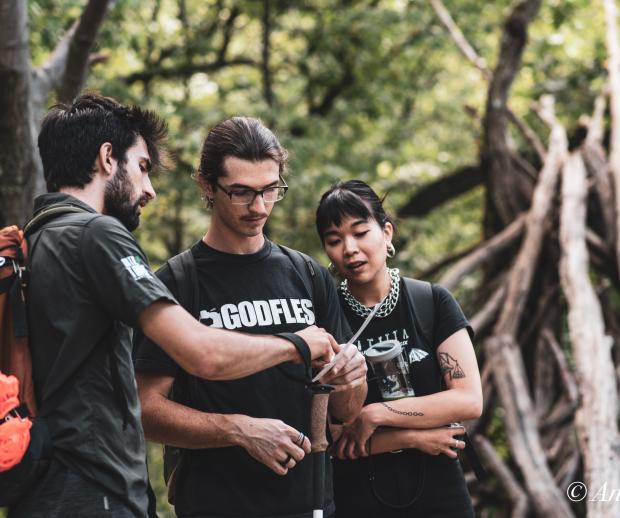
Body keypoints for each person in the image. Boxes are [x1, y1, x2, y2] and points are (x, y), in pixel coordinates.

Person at [9, 93, 337, 518]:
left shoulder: (35, 238)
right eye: (143, 167)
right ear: (108, 158)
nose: (149, 189)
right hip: (94, 489)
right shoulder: (97, 235)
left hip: (44, 487)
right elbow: (202, 354)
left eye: (270, 190)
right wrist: (297, 344)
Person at [133, 117, 368, 518]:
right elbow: (144, 410)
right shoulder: (176, 282)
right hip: (216, 505)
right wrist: (238, 430)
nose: (259, 207)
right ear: (207, 186)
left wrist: (353, 377)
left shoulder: (308, 275)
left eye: (270, 190)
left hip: (312, 505)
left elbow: (346, 411)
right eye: (241, 192)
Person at [315, 180, 483, 518]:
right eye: (334, 240)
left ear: (387, 233)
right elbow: (331, 437)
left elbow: (468, 400)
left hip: (441, 496)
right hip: (357, 499)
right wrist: (414, 438)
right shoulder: (325, 317)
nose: (349, 248)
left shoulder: (431, 302)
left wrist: (376, 415)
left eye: (361, 232)